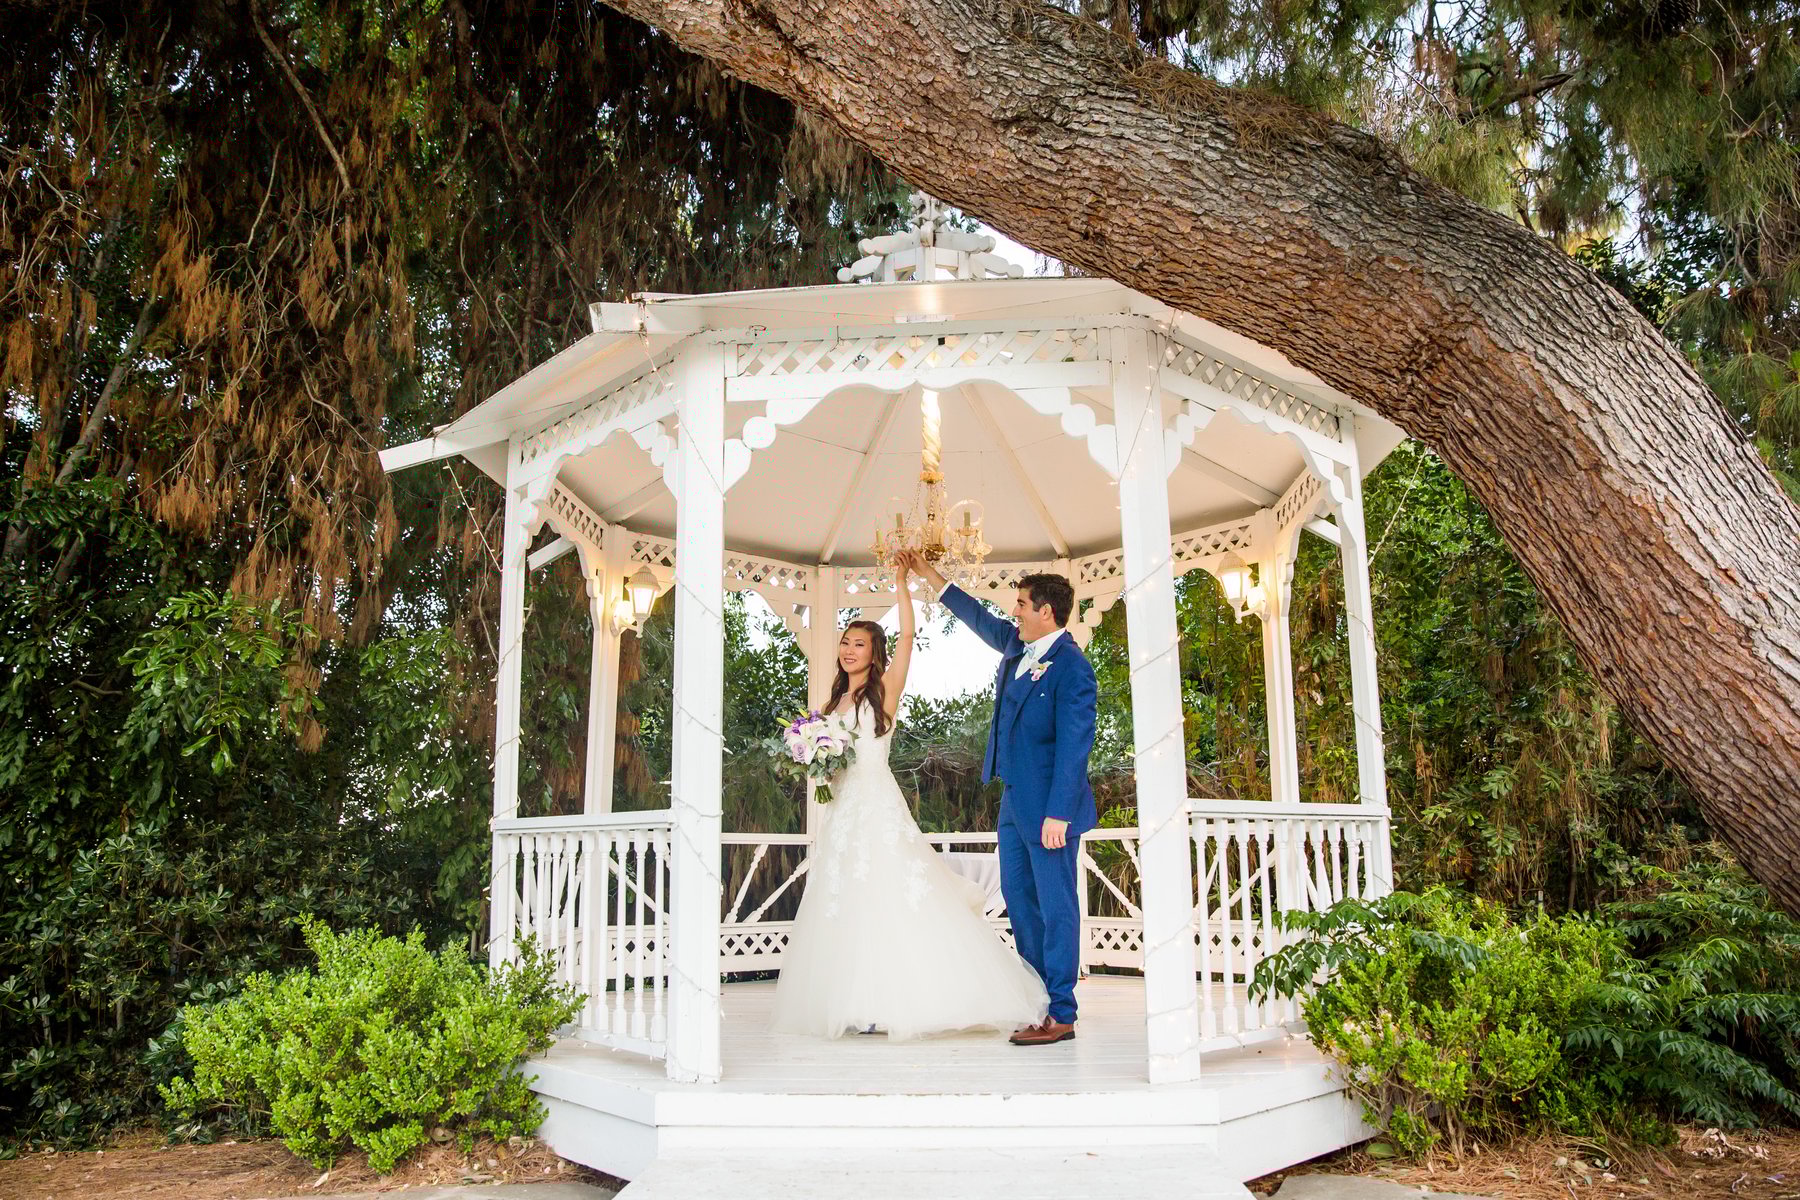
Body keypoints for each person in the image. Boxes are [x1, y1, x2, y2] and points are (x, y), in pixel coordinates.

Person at [768, 555, 1049, 1040]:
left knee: (889, 895)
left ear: (873, 653)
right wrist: (811, 757)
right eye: (845, 643)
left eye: (858, 644)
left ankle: (900, 1001)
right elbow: (829, 757)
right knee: (846, 902)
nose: (848, 650)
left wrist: (901, 583)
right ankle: (856, 1002)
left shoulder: (884, 690)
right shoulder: (831, 703)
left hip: (877, 807)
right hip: (841, 812)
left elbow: (906, 637)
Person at [898, 549, 1097, 1046]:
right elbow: (977, 617)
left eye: (1022, 605)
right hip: (1013, 804)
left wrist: (1059, 813)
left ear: (1046, 611)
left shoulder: (1072, 667)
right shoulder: (1015, 645)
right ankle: (1035, 1001)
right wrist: (928, 575)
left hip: (1051, 812)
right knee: (1020, 902)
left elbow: (1075, 746)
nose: (1015, 612)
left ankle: (1062, 1012)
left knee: (1056, 907)